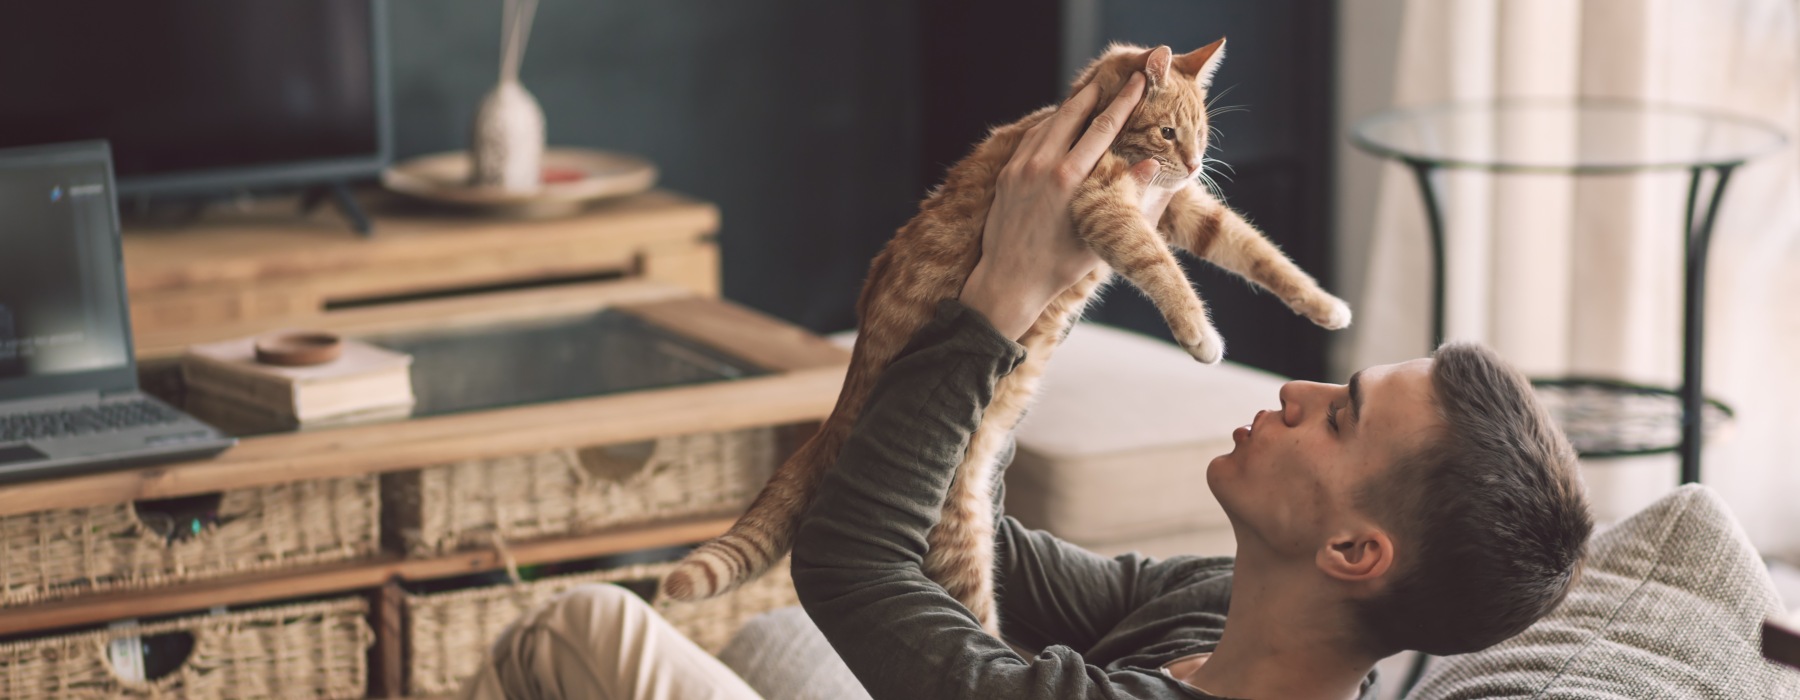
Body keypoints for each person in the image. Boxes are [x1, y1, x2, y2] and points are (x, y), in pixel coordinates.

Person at [457, 74, 1593, 700]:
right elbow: (944, 527)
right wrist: (974, 323)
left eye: (1340, 418)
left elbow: (850, 561)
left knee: (581, 628)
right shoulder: (1224, 606)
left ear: (1353, 549)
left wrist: (1004, 294)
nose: (1297, 389)